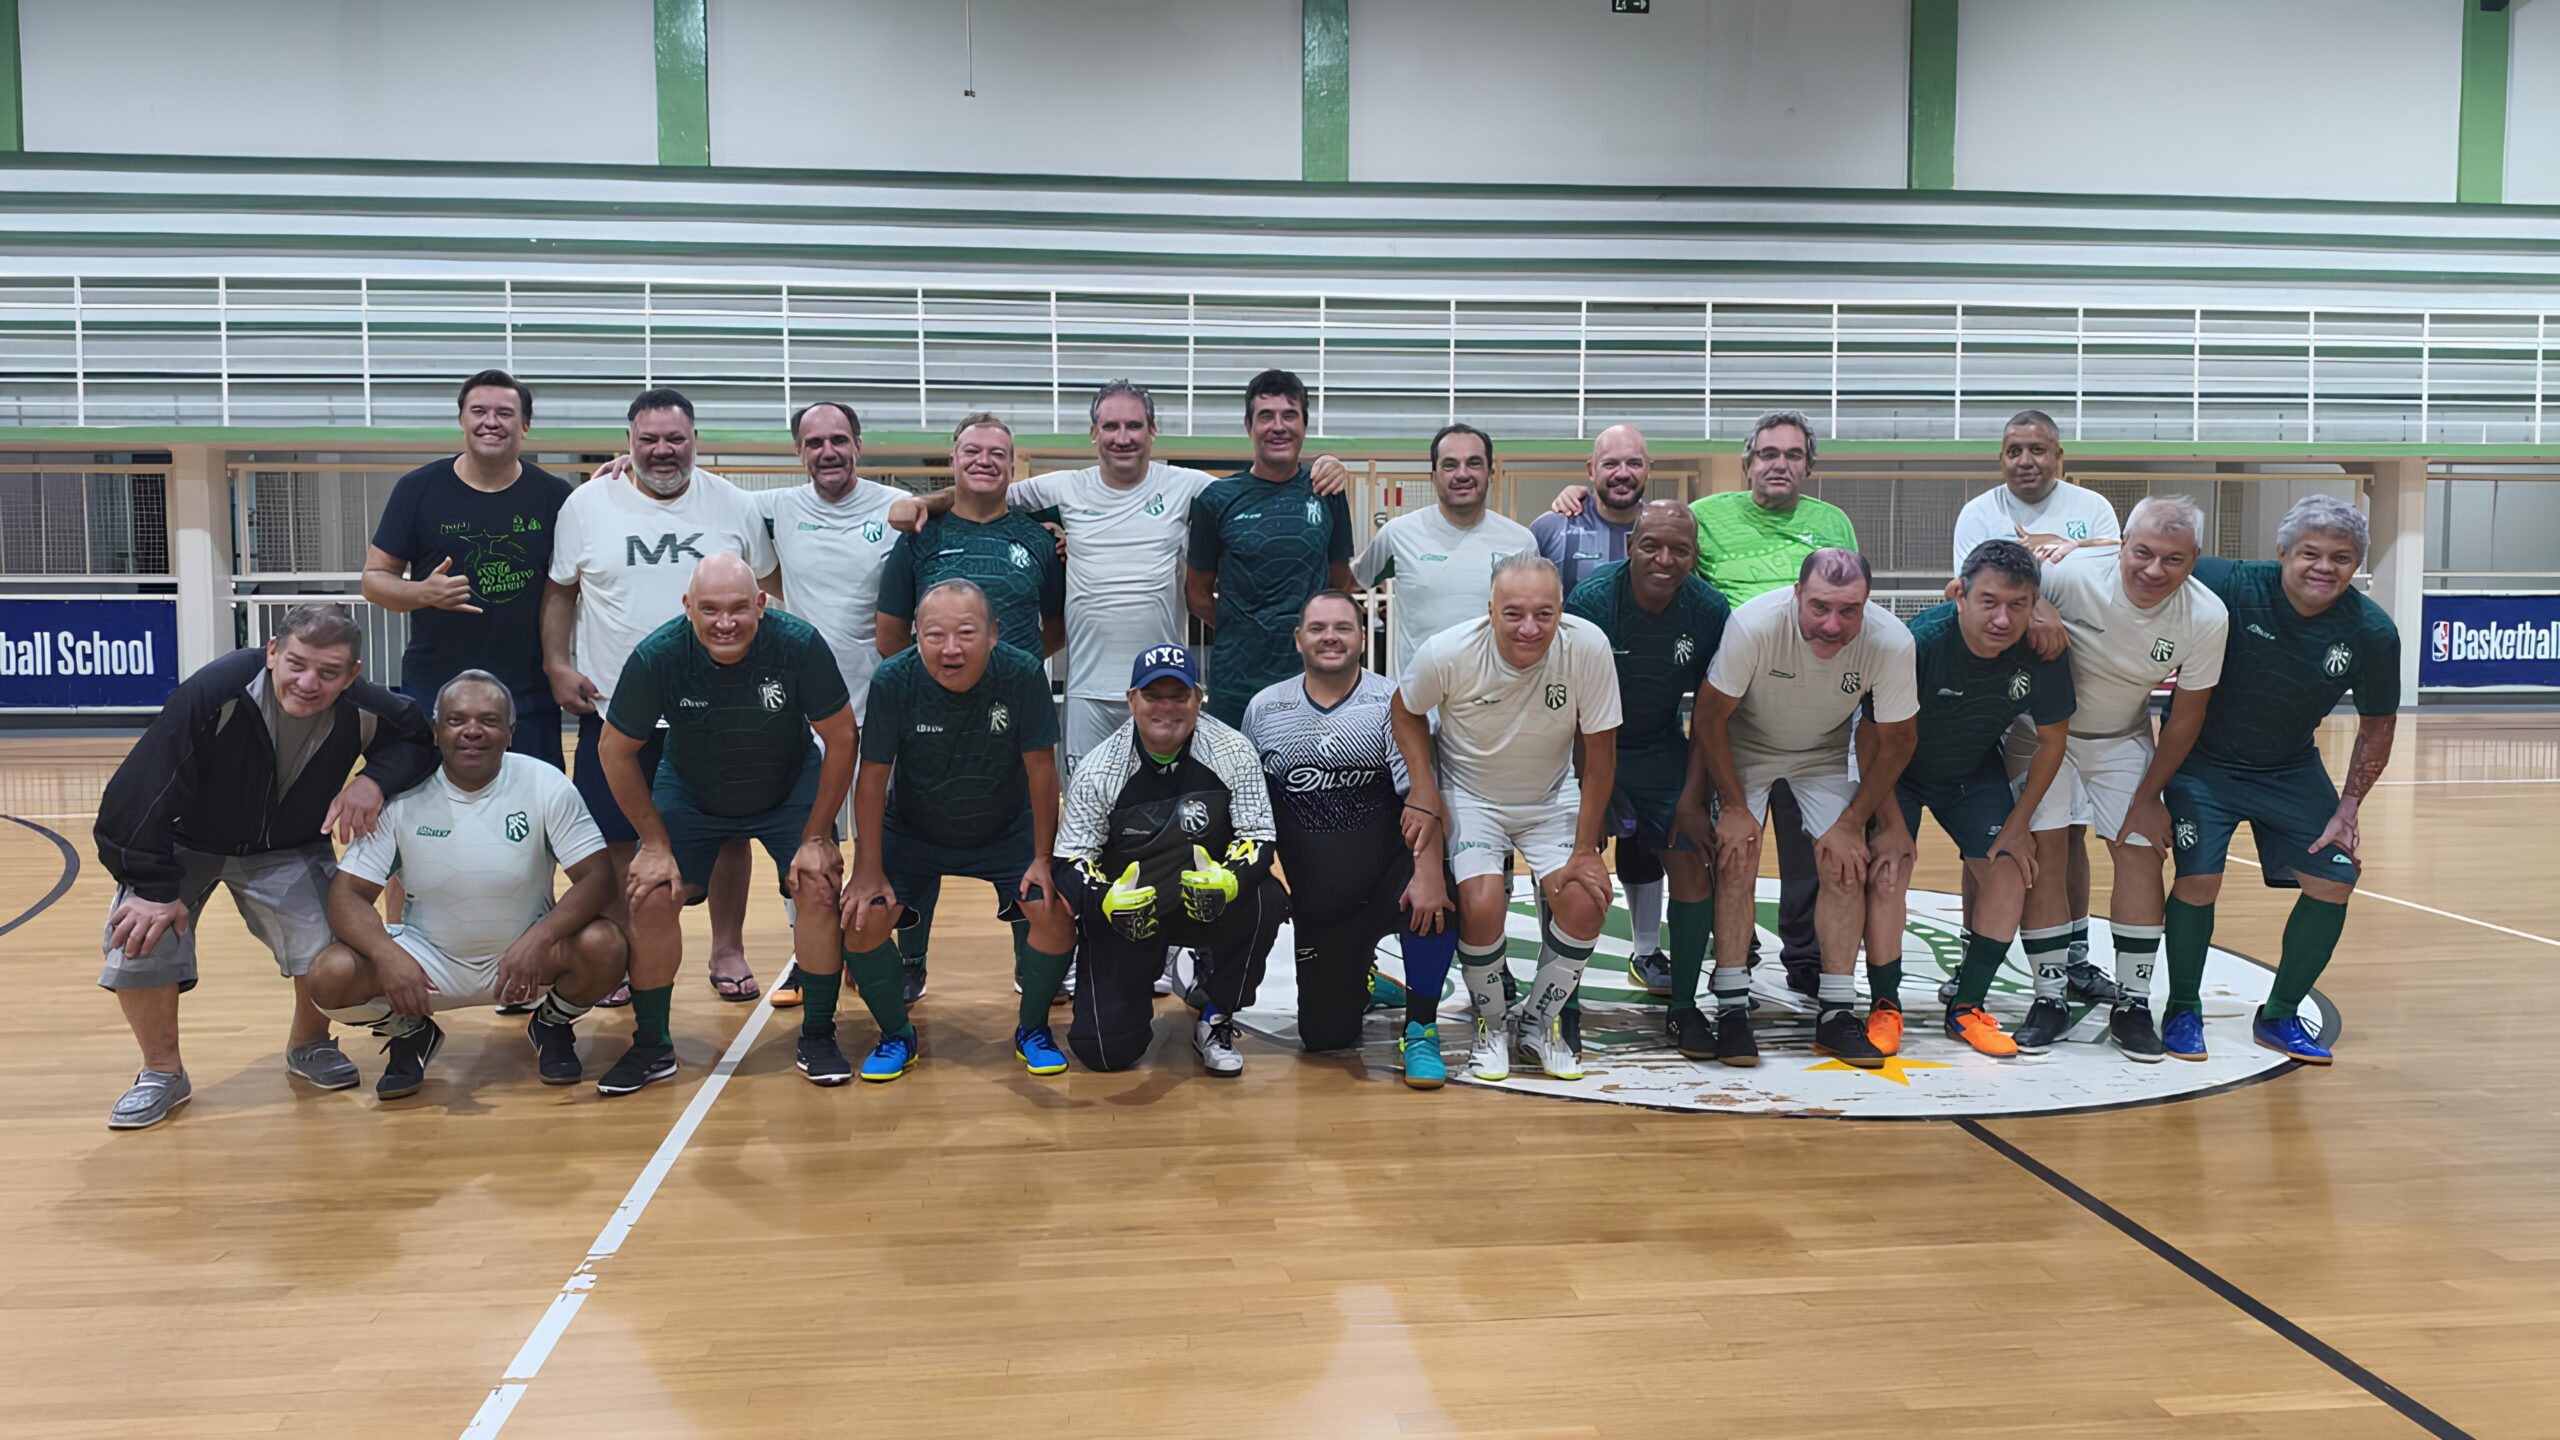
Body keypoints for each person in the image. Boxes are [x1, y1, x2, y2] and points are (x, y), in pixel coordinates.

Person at [91, 604, 436, 1129]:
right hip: (184, 842)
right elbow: (140, 788)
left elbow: (420, 742)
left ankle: (310, 1045)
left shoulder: (364, 706)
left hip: (288, 846)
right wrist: (152, 887)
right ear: (272, 652)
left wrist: (375, 779)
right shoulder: (217, 691)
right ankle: (162, 1073)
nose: (308, 682)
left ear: (352, 675)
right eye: (297, 663)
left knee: (335, 951)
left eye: (327, 672)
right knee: (139, 936)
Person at [1558, 411, 1851, 993]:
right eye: (1769, 453)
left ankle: (1766, 969)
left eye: (1794, 455)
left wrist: (1693, 796)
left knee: (1760, 846)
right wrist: (1579, 493)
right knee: (1595, 858)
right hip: (1640, 733)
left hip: (1792, 712)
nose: (1780, 464)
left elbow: (1845, 596)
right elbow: (1573, 709)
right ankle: (1573, 993)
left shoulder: (1830, 524)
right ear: (1747, 463)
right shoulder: (1699, 522)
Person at [544, 387, 778, 1004]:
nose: (662, 450)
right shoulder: (587, 504)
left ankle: (727, 947)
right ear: (629, 443)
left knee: (729, 834)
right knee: (619, 837)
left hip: (720, 709)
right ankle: (627, 950)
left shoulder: (734, 504)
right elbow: (560, 591)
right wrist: (556, 663)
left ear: (695, 439)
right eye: (648, 440)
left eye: (675, 438)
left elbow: (770, 589)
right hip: (618, 706)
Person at [593, 554, 857, 1094]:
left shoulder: (798, 645)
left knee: (818, 886)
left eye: (739, 608)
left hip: (787, 787)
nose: (725, 622)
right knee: (651, 894)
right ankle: (651, 1045)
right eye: (709, 609)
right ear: (687, 608)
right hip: (692, 789)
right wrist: (653, 843)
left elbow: (843, 737)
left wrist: (816, 836)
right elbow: (614, 750)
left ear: (762, 605)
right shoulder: (658, 656)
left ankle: (820, 1033)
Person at [307, 671, 627, 1097]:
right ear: (436, 731)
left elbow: (597, 878)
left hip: (527, 956)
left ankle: (551, 1023)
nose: (472, 731)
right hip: (429, 960)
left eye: (489, 720)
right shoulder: (401, 796)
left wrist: (539, 939)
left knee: (607, 945)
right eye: (457, 720)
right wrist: (388, 956)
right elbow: (348, 895)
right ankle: (410, 1031)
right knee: (329, 975)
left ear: (510, 732)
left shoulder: (545, 783)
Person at [2160, 495, 2397, 1064]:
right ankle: (2182, 1009)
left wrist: (2348, 807)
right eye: (2310, 553)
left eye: (2341, 557)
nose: (2324, 566)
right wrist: (2073, 550)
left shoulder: (2371, 632)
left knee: (2335, 878)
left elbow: (2378, 727)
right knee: (2200, 879)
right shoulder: (2231, 581)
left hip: (2288, 766)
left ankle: (2280, 1015)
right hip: (2202, 762)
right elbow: (2153, 556)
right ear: (2282, 552)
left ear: (2356, 564)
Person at [2001, 496, 2228, 1061]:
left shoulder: (2206, 617)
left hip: (2121, 738)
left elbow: (2187, 716)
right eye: (2143, 552)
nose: (2154, 570)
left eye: (2173, 560)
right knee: (2046, 853)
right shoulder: (2070, 575)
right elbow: (1999, 592)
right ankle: (2049, 996)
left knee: (2139, 850)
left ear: (2195, 558)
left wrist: (2150, 797)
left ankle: (2133, 1003)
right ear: (2121, 544)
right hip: (2039, 732)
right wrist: (2036, 609)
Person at [1675, 549, 1916, 1070]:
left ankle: (1834, 1011)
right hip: (1747, 746)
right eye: (1820, 607)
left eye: (1848, 610)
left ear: (1867, 605)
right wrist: (1735, 806)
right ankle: (1733, 1008)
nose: (1832, 624)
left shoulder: (1891, 641)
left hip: (1825, 751)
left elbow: (1898, 742)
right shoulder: (1755, 624)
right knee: (1736, 857)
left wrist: (1854, 823)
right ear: (1797, 596)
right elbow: (1711, 717)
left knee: (1845, 865)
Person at [1392, 554, 1623, 1082]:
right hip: (1471, 797)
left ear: (1561, 610)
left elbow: (1602, 753)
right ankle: (1491, 1026)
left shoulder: (1587, 646)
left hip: (1551, 797)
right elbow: (1405, 710)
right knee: (1481, 901)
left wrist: (1586, 850)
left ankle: (1539, 1025)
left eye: (1544, 614)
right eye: (1514, 613)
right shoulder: (1448, 652)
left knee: (1587, 901)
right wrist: (1425, 788)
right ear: (1490, 611)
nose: (1529, 628)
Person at [837, 580, 1078, 1081]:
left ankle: (1032, 1029)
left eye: (966, 632)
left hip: (1006, 829)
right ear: (915, 638)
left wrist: (1042, 857)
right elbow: (873, 777)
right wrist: (866, 868)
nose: (951, 649)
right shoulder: (892, 681)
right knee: (861, 921)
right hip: (913, 830)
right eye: (935, 635)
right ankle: (896, 1035)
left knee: (1054, 914)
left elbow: (1042, 770)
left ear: (993, 633)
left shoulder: (1022, 673)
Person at [873, 412, 1066, 1006]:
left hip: (1008, 718)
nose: (984, 460)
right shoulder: (920, 534)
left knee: (1019, 833)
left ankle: (1027, 964)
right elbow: (889, 636)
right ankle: (910, 963)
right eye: (971, 451)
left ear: (1012, 465)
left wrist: (1011, 670)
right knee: (920, 830)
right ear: (953, 461)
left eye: (997, 453)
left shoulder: (1038, 538)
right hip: (930, 719)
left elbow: (1053, 628)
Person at [1241, 591, 1459, 1087]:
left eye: (1343, 627)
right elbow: (1251, 810)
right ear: (1298, 639)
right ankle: (1362, 976)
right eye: (1318, 628)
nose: (1331, 637)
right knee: (1323, 1040)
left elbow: (1422, 802)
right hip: (1322, 906)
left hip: (1389, 877)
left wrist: (1428, 875)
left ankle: (1421, 1027)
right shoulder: (1264, 709)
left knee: (1437, 901)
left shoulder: (1393, 704)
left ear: (1363, 637)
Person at [1946, 408, 2125, 1009]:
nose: (2027, 460)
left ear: (2060, 457)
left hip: (2074, 684)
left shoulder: (2094, 508)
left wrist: (2050, 613)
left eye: (2039, 449)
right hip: (1998, 690)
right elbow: (1980, 594)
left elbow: (2102, 587)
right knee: (1991, 837)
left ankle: (2074, 958)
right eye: (2015, 450)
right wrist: (2041, 613)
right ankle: (1972, 961)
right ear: (2001, 458)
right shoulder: (1980, 514)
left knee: (2068, 834)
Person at [1874, 540, 2075, 1058]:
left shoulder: (2043, 652)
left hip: (1970, 771)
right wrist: (1890, 821)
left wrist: (2019, 823)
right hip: (1897, 772)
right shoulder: (1918, 644)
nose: (2003, 619)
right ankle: (1884, 1005)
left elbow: (2054, 740)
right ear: (1960, 594)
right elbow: (1873, 738)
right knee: (1889, 869)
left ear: (2035, 605)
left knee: (2011, 867)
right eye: (1989, 602)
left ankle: (1968, 1008)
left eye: (2017, 605)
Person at [1054, 643, 1286, 1075]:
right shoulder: (1098, 768)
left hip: (1207, 902)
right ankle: (1146, 974)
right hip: (1132, 914)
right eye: (1152, 695)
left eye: (1178, 696)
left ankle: (1217, 1010)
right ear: (1131, 701)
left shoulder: (1233, 751)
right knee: (1104, 1053)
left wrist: (1230, 881)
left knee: (1266, 898)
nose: (1166, 708)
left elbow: (1259, 838)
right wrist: (1105, 899)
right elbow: (1069, 861)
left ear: (1198, 698)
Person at [748, 401, 908, 1010]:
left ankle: (875, 953)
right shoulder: (779, 508)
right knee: (808, 840)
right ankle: (807, 953)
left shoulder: (895, 506)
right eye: (814, 443)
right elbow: (695, 493)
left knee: (883, 845)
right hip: (809, 712)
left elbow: (961, 500)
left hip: (887, 702)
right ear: (799, 452)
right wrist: (624, 465)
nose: (827, 452)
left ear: (858, 445)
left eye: (838, 440)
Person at [1562, 501, 1729, 1053]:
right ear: (1631, 544)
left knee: (1691, 855)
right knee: (1571, 864)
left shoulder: (1708, 611)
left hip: (1658, 746)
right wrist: (1593, 791)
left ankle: (1683, 1006)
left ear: (1694, 555)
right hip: (1583, 747)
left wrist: (1692, 798)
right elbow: (1570, 709)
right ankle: (1565, 1003)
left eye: (1680, 549)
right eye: (1652, 545)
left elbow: (1710, 715)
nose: (1665, 559)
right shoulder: (1591, 602)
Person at [362, 369, 574, 769]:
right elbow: (373, 581)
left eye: (505, 413)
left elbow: (565, 588)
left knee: (534, 809)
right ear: (462, 420)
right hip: (435, 690)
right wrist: (424, 593)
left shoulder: (555, 495)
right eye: (478, 411)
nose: (490, 421)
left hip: (528, 693)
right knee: (431, 805)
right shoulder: (418, 489)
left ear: (525, 425)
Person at [1186, 368, 1356, 727]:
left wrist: (1307, 630)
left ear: (1304, 425)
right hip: (1236, 686)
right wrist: (1243, 627)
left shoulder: (1327, 492)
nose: (1278, 426)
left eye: (1289, 415)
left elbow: (1339, 580)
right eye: (1266, 416)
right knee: (1235, 782)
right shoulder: (1216, 499)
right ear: (1249, 426)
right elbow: (1197, 593)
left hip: (1312, 682)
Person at [1352, 423, 1535, 681]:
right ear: (1434, 475)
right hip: (1418, 707)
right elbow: (1351, 583)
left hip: (1497, 704)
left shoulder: (1521, 542)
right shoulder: (1397, 535)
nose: (1462, 474)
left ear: (1490, 473)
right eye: (1449, 465)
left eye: (1474, 463)